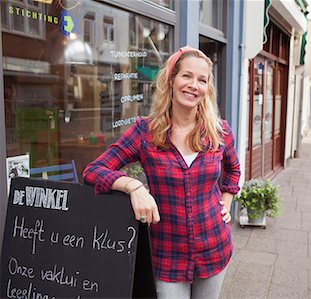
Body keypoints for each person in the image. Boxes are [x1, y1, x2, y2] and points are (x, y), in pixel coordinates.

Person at [83, 46, 241, 299]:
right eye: (186, 76)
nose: (193, 85)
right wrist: (133, 187)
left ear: (207, 88)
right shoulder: (145, 132)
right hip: (167, 254)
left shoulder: (219, 132)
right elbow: (94, 170)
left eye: (202, 80)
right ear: (172, 79)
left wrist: (227, 200)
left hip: (214, 247)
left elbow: (233, 169)